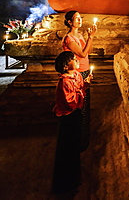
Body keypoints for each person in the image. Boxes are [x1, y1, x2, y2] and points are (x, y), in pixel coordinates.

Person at [52, 50, 93, 195]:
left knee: (74, 147)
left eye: (76, 58)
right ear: (64, 66)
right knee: (66, 150)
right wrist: (82, 92)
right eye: (74, 59)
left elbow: (80, 89)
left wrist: (85, 85)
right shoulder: (64, 82)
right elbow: (70, 102)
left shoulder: (76, 75)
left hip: (75, 115)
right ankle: (65, 184)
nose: (77, 61)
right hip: (67, 118)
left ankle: (75, 178)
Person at [62, 10, 97, 152]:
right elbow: (82, 53)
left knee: (85, 105)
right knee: (78, 105)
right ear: (70, 22)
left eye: (80, 18)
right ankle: (76, 140)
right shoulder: (69, 38)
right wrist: (90, 38)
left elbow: (89, 51)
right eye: (76, 18)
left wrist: (90, 38)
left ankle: (84, 138)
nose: (80, 20)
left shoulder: (80, 35)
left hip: (85, 71)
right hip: (76, 73)